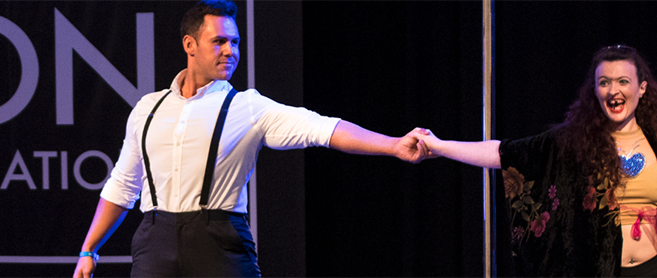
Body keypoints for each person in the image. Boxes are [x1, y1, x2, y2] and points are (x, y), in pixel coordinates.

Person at [72, 1, 428, 277]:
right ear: (190, 44)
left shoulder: (248, 107)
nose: (230, 50)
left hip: (218, 238)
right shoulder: (148, 108)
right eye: (219, 41)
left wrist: (393, 144)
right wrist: (89, 249)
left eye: (235, 42)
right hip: (155, 238)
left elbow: (323, 128)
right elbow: (122, 184)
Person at [413, 45, 657, 277]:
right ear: (595, 90)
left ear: (641, 88)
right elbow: (503, 153)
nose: (614, 90)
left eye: (623, 81)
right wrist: (440, 146)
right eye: (604, 82)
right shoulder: (572, 144)